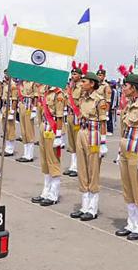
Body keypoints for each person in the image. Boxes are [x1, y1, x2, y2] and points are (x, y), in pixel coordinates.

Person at [114, 70, 138, 240]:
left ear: (135, 88)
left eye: (126, 85)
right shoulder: (129, 105)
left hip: (137, 151)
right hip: (126, 151)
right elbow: (125, 131)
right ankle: (132, 224)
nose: (124, 88)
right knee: (128, 189)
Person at [69, 71, 108, 221]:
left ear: (92, 83)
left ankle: (92, 208)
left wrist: (103, 142)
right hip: (82, 132)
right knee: (82, 168)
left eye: (84, 81)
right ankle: (84, 206)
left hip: (94, 134)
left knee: (93, 170)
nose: (82, 84)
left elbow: (103, 121)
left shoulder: (99, 100)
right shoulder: (83, 98)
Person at [31, 85, 66, 206]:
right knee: (45, 161)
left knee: (53, 161)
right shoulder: (44, 90)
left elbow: (60, 116)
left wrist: (59, 135)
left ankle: (53, 194)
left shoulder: (58, 94)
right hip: (44, 127)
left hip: (53, 128)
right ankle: (45, 191)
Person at [64, 63, 84, 176]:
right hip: (70, 115)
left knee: (78, 141)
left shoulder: (82, 87)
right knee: (71, 141)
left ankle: (78, 167)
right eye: (72, 73)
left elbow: (82, 102)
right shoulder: (70, 86)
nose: (73, 75)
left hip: (78, 116)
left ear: (80, 76)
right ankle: (73, 165)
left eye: (75, 74)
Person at [16, 77, 40, 162]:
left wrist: (35, 108)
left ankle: (30, 155)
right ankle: (25, 153)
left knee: (29, 131)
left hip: (29, 105)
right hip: (22, 105)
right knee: (23, 131)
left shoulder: (33, 82)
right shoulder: (21, 82)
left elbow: (36, 96)